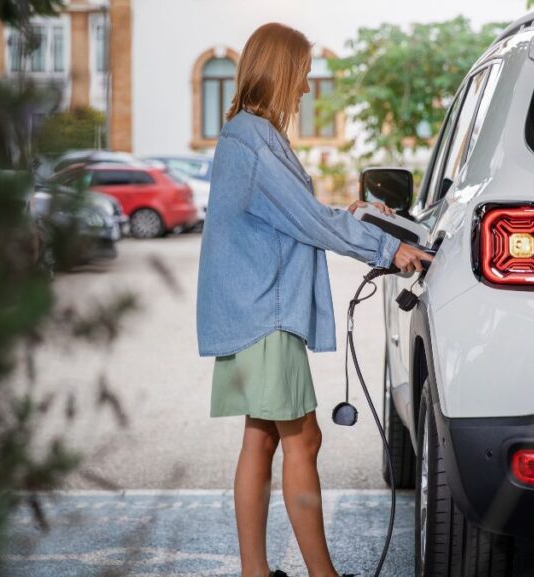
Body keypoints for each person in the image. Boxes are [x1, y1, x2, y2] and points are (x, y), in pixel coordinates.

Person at [195, 22, 433, 577]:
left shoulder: (247, 135)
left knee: (262, 441)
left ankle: (257, 573)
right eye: (301, 75)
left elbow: (290, 215)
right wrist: (386, 246)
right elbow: (305, 221)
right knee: (303, 438)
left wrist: (352, 218)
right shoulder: (253, 140)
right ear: (280, 71)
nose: (304, 87)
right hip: (265, 317)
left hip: (254, 312)